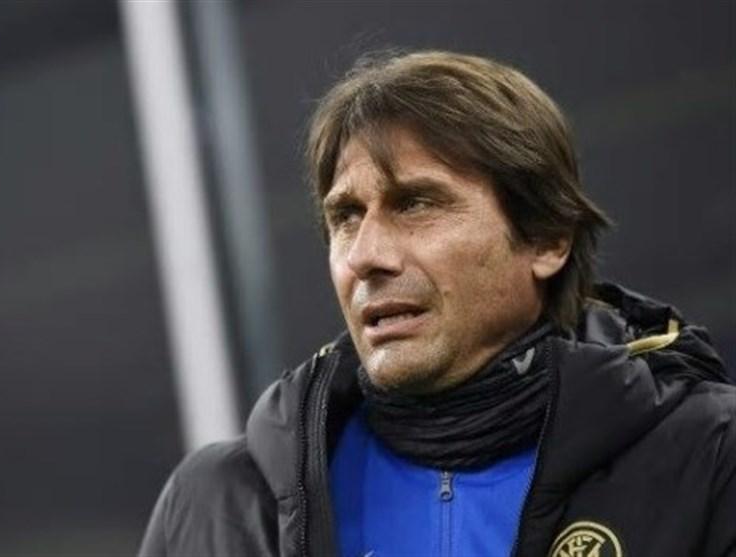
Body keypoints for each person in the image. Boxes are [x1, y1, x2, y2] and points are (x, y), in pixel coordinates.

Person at [138, 51, 735, 557]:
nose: (365, 256)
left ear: (547, 240)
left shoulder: (710, 457)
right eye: (346, 217)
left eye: (416, 204)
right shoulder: (218, 504)